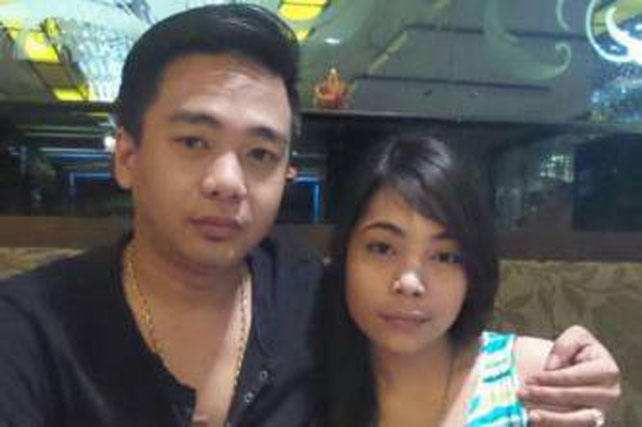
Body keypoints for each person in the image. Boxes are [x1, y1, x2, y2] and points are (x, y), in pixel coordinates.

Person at [0, 4, 619, 427]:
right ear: (128, 156)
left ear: (287, 176)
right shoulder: (29, 328)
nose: (227, 182)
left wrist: (570, 365)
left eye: (260, 154)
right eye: (193, 141)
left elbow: (437, 339)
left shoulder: (313, 297)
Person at [319, 134, 619, 426]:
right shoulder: (305, 386)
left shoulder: (537, 378)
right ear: (344, 256)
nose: (410, 283)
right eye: (382, 248)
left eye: (445, 256)